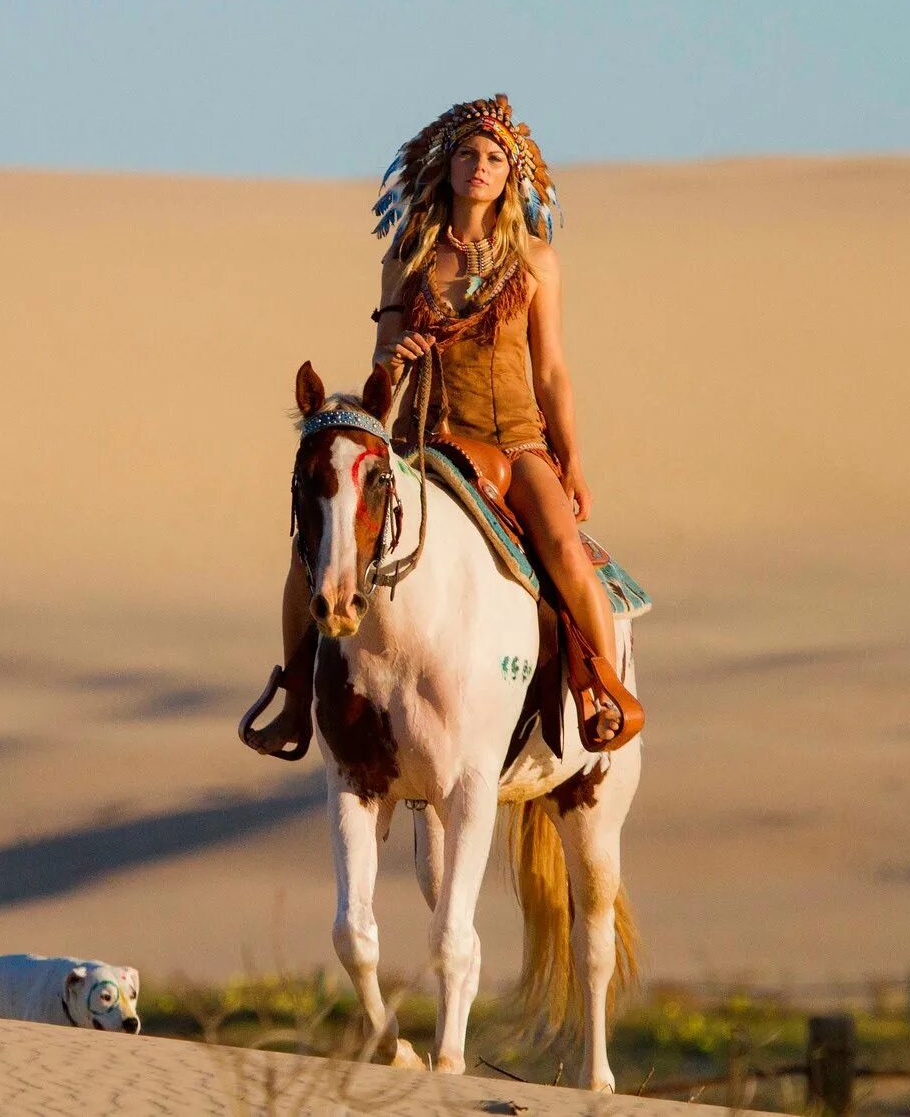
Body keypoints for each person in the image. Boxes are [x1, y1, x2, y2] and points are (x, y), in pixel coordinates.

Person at [240, 94, 643, 759]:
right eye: (466, 155)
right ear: (446, 168)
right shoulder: (409, 255)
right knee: (312, 552)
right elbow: (383, 359)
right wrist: (394, 360)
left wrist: (571, 461)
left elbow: (551, 373)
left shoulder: (536, 259)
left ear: (510, 176)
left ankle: (604, 688)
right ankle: (295, 702)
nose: (478, 168)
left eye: (492, 158)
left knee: (566, 550)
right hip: (424, 442)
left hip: (515, 440)